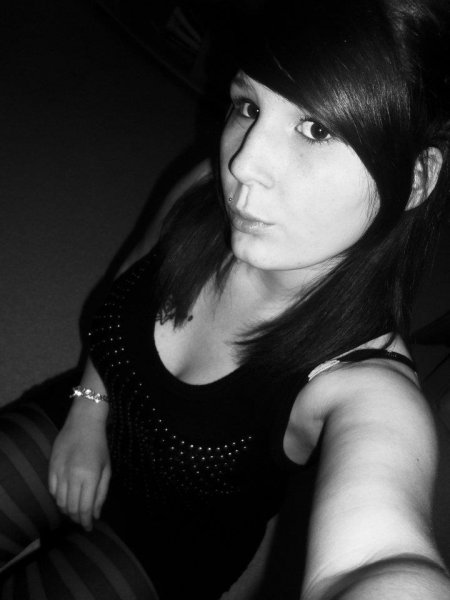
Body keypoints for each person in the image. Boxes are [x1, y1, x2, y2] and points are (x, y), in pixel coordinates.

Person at [1, 0, 450, 598]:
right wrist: (88, 408)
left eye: (317, 129)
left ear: (416, 179)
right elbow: (130, 277)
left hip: (164, 547)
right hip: (90, 407)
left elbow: (379, 558)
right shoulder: (208, 191)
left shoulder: (365, 384)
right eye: (249, 107)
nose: (243, 162)